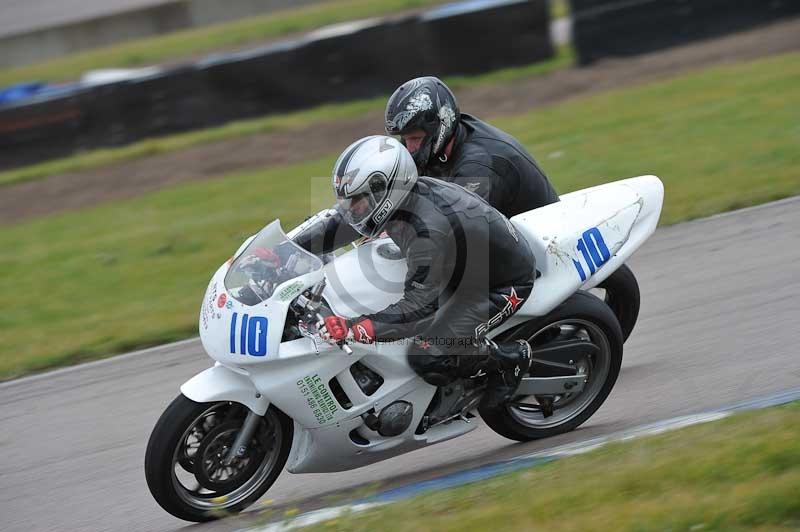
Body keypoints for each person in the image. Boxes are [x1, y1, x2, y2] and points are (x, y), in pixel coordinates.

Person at [293, 135, 535, 407]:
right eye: (349, 201)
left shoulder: (427, 231)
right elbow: (338, 223)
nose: (352, 210)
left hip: (498, 283)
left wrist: (352, 329)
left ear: (385, 191)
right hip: (459, 266)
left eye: (358, 201)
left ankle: (509, 360)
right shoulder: (396, 202)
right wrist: (285, 249)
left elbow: (419, 310)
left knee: (429, 356)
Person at [385, 76, 559, 218]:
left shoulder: (479, 164)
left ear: (442, 125)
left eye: (415, 138)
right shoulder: (445, 143)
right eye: (404, 139)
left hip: (547, 246)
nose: (409, 148)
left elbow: (455, 231)